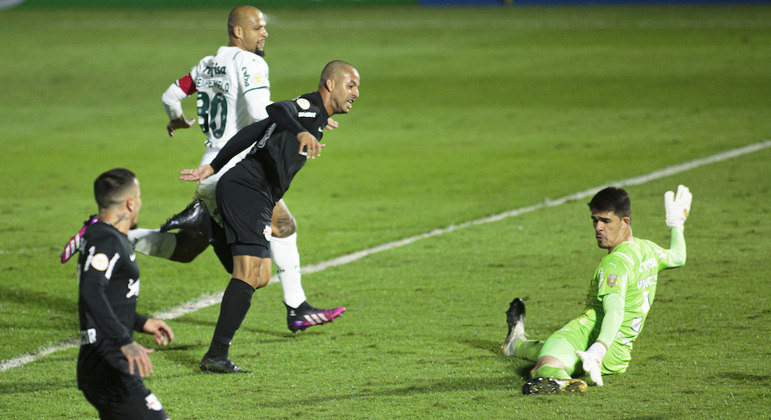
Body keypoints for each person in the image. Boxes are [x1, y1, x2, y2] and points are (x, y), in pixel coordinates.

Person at [125, 5, 344, 333]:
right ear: (238, 31)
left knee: (193, 249)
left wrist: (176, 118)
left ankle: (121, 237)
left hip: (210, 168)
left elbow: (170, 95)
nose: (265, 33)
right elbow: (261, 113)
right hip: (236, 168)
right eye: (258, 27)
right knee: (282, 227)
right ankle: (296, 309)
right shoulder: (252, 64)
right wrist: (300, 124)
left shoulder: (206, 65)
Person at [179, 60, 360, 373]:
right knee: (248, 273)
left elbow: (255, 129)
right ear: (330, 84)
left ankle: (211, 230)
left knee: (259, 277)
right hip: (247, 188)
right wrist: (302, 129)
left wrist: (214, 166)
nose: (355, 93)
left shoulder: (315, 116)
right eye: (351, 85)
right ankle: (216, 356)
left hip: (257, 193)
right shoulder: (308, 109)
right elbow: (276, 109)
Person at [500, 185, 692, 394]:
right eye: (595, 220)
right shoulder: (648, 250)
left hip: (591, 337)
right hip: (618, 355)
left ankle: (559, 379)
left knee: (546, 362)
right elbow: (678, 257)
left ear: (625, 222)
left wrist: (598, 349)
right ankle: (515, 343)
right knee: (554, 345)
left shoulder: (616, 263)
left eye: (606, 221)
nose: (598, 228)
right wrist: (676, 225)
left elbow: (615, 311)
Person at [72, 168, 174, 419]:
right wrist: (124, 341)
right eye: (138, 197)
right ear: (130, 203)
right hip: (108, 361)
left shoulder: (105, 237)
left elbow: (108, 296)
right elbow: (91, 290)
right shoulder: (106, 240)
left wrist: (140, 322)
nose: (139, 203)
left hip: (103, 359)